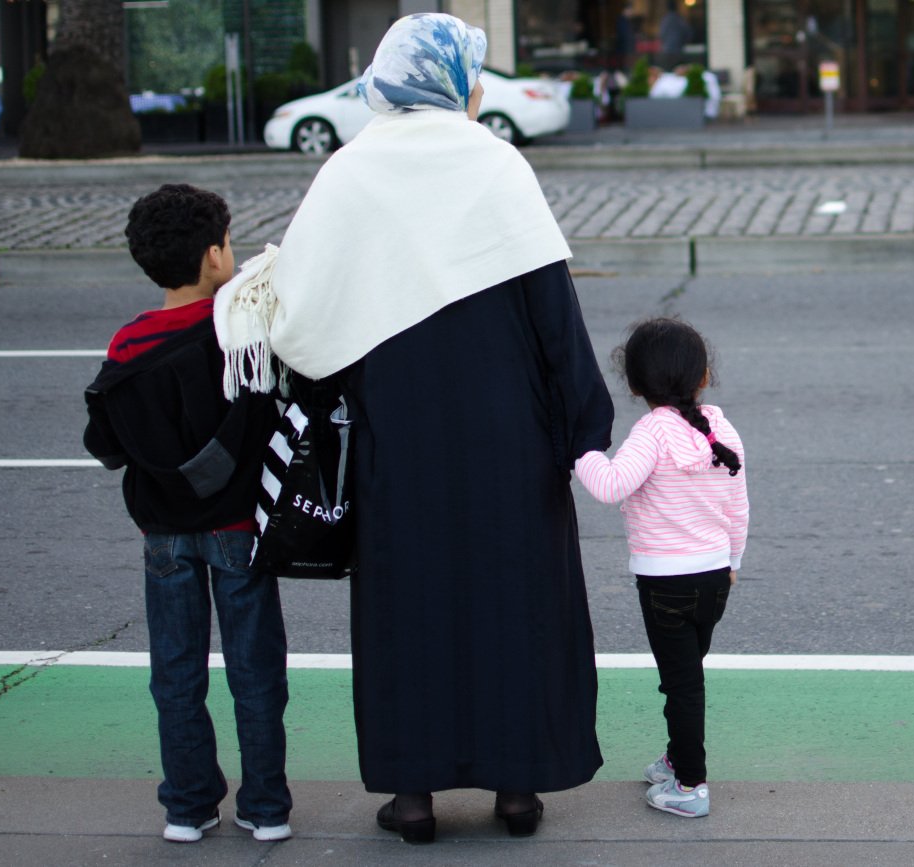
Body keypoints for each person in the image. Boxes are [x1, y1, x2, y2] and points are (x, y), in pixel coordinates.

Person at [216, 12, 613, 845]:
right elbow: (553, 312)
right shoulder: (495, 164)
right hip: (510, 437)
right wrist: (581, 424)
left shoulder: (349, 172)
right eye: (473, 75)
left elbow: (305, 320)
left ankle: (413, 797)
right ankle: (516, 787)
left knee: (408, 611)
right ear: (454, 81)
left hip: (396, 437)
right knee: (517, 605)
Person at [82, 184, 292, 844]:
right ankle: (264, 806)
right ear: (212, 256)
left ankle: (188, 805)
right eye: (228, 241)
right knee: (255, 673)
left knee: (175, 672)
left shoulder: (127, 345)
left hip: (163, 535)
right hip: (237, 529)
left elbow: (105, 443)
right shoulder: (240, 338)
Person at [573, 317, 748, 820]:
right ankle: (677, 758)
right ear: (704, 375)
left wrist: (578, 451)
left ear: (633, 385)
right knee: (686, 676)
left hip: (665, 583)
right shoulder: (721, 425)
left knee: (682, 684)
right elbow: (738, 505)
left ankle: (691, 785)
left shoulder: (651, 432)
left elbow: (609, 485)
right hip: (716, 578)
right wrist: (733, 559)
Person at [658, 0, 692, 72]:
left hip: (667, 50)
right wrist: (683, 42)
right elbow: (688, 33)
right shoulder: (679, 19)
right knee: (678, 72)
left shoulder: (665, 20)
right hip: (678, 50)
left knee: (668, 72)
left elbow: (661, 34)